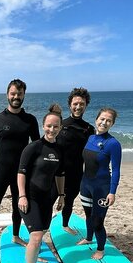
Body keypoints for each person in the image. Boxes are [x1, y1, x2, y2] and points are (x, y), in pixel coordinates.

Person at [0, 79, 40, 258]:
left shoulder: (30, 120)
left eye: (19, 94)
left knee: (18, 206)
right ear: (7, 94)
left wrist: (36, 170)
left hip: (21, 172)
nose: (16, 97)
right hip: (1, 171)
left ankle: (15, 236)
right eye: (13, 93)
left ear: (24, 96)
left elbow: (37, 147)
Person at [17, 104, 66, 263]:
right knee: (36, 236)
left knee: (42, 231)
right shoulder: (34, 148)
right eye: (48, 126)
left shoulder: (60, 150)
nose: (51, 129)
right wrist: (22, 196)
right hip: (29, 197)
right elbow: (21, 172)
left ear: (60, 128)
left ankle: (34, 253)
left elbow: (60, 175)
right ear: (43, 126)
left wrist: (61, 195)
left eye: (55, 126)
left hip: (48, 197)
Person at [78, 108, 122, 260]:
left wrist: (112, 192)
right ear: (96, 119)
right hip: (85, 185)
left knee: (98, 221)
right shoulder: (90, 138)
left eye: (108, 121)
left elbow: (116, 170)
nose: (104, 122)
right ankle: (89, 238)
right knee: (88, 215)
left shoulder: (113, 144)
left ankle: (101, 249)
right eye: (102, 119)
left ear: (112, 124)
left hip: (102, 188)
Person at [56, 87, 95, 234]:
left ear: (86, 105)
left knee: (69, 201)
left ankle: (65, 225)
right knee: (49, 201)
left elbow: (91, 154)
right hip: (56, 172)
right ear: (69, 105)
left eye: (82, 104)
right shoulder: (61, 125)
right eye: (75, 103)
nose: (78, 107)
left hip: (77, 172)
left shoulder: (89, 129)